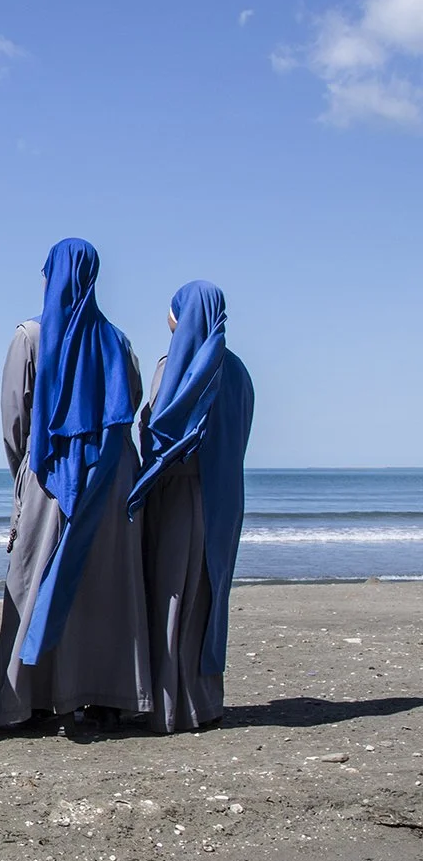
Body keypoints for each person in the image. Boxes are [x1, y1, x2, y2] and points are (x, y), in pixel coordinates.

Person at [0, 238, 150, 731]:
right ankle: (106, 697)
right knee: (103, 584)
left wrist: (27, 472)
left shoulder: (31, 336)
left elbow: (15, 419)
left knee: (33, 578)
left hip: (50, 470)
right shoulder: (117, 341)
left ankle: (29, 701)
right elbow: (133, 399)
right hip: (111, 473)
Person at [128, 281, 255, 733]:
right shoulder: (239, 372)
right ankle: (204, 703)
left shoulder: (176, 367)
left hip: (177, 494)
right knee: (206, 595)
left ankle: (166, 706)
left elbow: (157, 430)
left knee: (169, 594)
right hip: (224, 499)